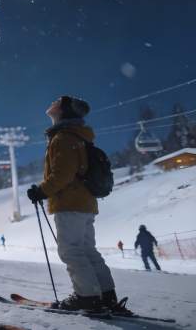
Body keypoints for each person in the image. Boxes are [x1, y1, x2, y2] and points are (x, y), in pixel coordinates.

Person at [26, 96, 128, 314]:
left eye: (58, 102)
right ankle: (106, 296)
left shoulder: (63, 137)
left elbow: (62, 174)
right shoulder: (79, 136)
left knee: (71, 251)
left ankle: (87, 298)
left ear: (63, 111)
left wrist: (41, 191)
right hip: (85, 203)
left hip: (69, 203)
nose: (52, 103)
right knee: (87, 250)